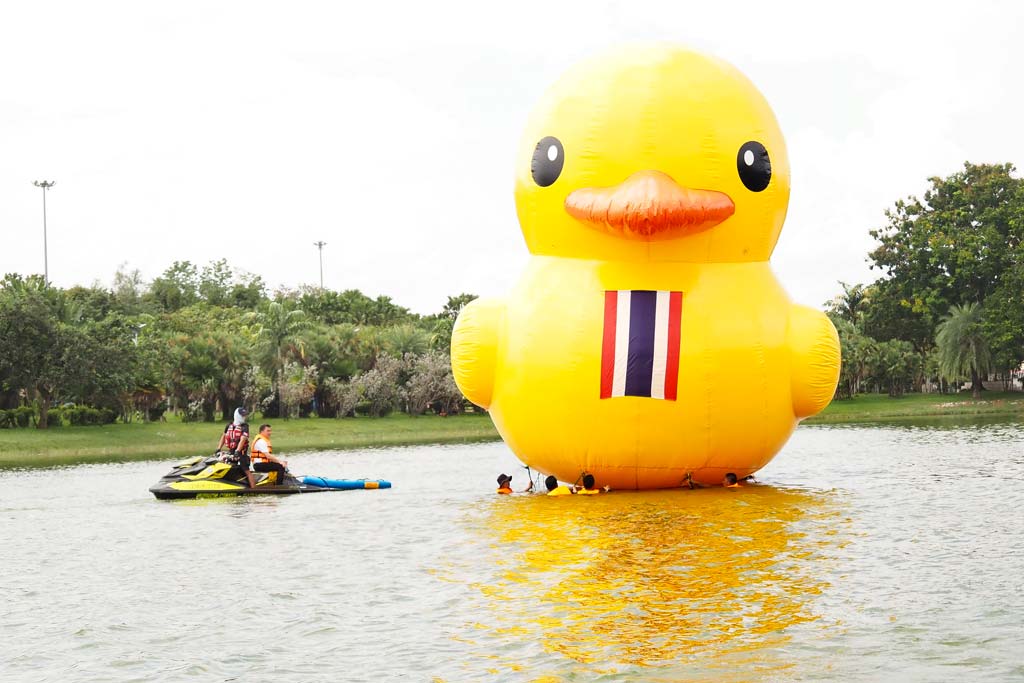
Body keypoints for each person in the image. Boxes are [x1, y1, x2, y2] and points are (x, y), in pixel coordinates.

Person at [218, 407, 254, 488]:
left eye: (245, 415)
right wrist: (218, 448)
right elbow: (223, 437)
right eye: (242, 415)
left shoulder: (245, 426)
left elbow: (243, 439)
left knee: (246, 471)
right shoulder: (229, 425)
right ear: (237, 415)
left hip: (241, 453)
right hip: (231, 452)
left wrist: (237, 451)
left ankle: (254, 489)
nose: (244, 417)